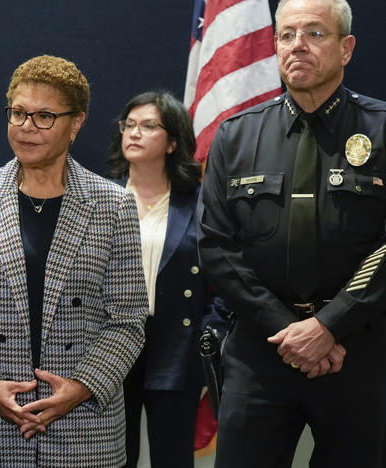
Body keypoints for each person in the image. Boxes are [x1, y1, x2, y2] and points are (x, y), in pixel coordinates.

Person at [0, 54, 148, 467]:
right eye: (18, 113)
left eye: (44, 116)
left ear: (76, 123)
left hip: (85, 431)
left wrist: (82, 386)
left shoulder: (114, 204)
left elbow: (128, 318)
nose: (27, 127)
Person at [198, 0, 386, 466]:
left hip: (357, 350)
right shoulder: (235, 136)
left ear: (347, 48)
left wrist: (328, 326)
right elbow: (217, 247)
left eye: (315, 34)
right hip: (262, 352)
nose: (297, 45)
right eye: (286, 34)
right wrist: (290, 331)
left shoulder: (382, 129)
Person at [107, 91, 228, 468]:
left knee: (172, 459)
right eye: (128, 125)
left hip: (177, 344)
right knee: (110, 458)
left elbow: (225, 278)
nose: (134, 133)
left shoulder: (200, 201)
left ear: (172, 141)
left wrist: (210, 333)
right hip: (108, 344)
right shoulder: (100, 197)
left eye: (147, 126)